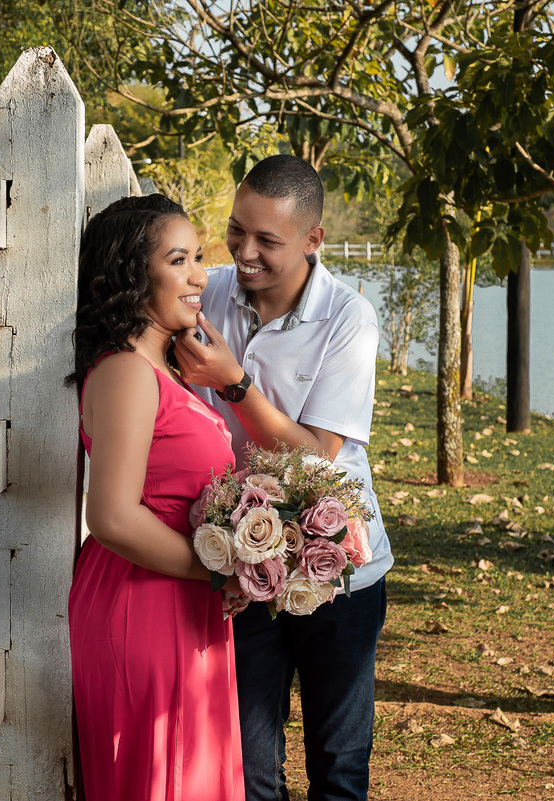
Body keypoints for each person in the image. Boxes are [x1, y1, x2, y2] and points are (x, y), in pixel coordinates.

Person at [174, 154, 393, 801]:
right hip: (241, 561)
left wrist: (232, 383)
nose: (244, 251)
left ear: (312, 240)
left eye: (267, 239)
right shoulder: (207, 292)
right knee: (246, 768)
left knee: (338, 766)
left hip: (339, 568)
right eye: (236, 230)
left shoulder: (348, 318)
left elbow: (317, 458)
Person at [66, 193, 245, 801]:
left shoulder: (165, 368)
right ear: (130, 274)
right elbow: (113, 516)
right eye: (179, 260)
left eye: (198, 256)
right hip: (142, 601)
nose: (199, 275)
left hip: (183, 597)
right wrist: (218, 570)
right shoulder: (125, 372)